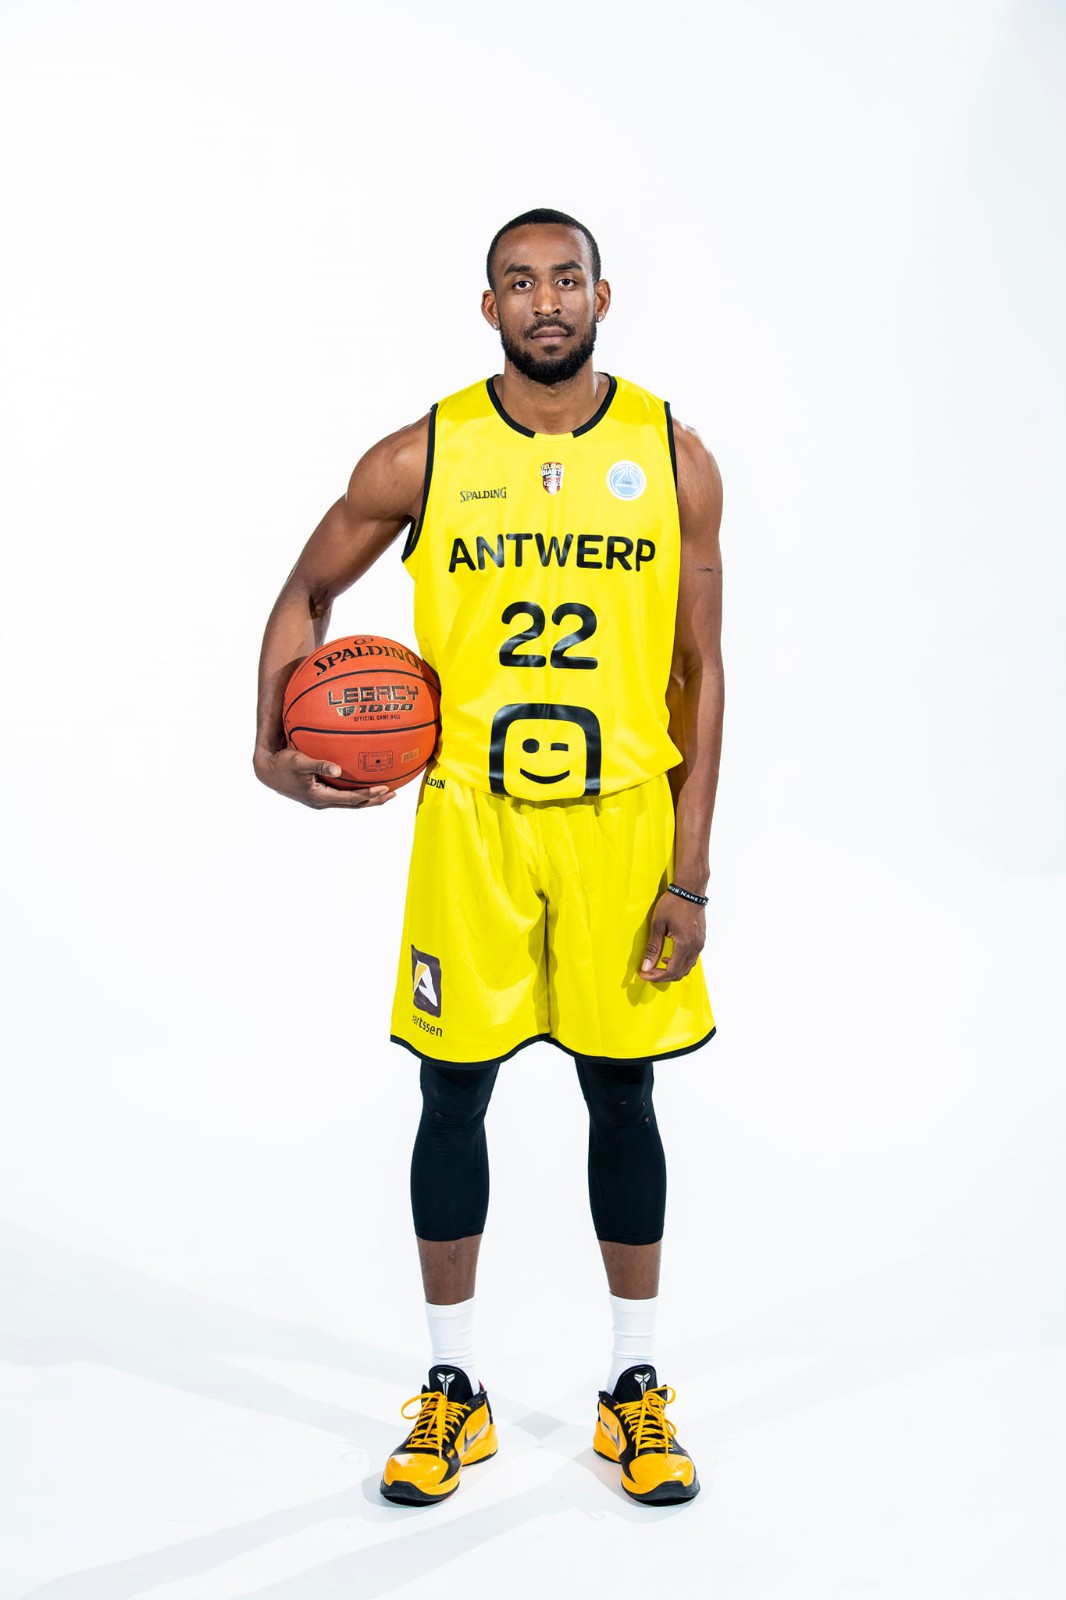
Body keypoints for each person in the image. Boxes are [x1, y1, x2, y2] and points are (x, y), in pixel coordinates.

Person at [253, 208, 724, 1508]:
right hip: (472, 814)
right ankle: (451, 1390)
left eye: (566, 278)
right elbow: (305, 593)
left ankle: (633, 1386)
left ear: (602, 296)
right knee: (450, 1092)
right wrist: (268, 745)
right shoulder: (425, 452)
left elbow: (700, 672)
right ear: (488, 308)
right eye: (519, 282)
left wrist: (689, 872)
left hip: (620, 818)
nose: (545, 301)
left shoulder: (672, 456)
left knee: (622, 1094)